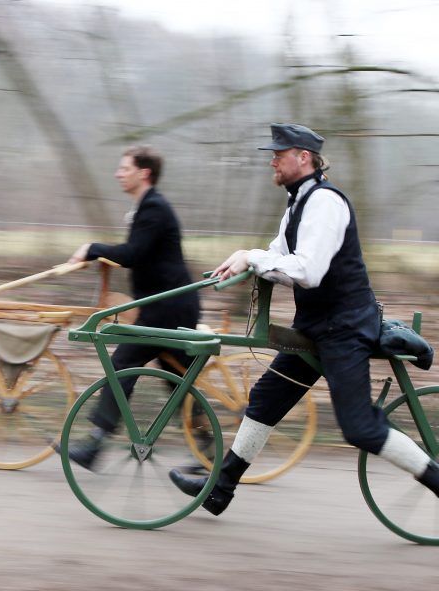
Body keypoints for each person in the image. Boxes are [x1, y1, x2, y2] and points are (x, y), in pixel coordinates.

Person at [168, 122, 439, 514]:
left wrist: (255, 257)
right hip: (317, 327)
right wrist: (245, 257)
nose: (273, 161)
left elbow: (307, 271)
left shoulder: (326, 203)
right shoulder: (297, 204)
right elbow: (278, 255)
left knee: (359, 427)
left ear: (304, 158)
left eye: (279, 154)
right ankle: (220, 489)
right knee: (265, 399)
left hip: (345, 329)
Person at [57, 145, 202, 470]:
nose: (117, 173)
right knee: (178, 379)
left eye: (124, 168)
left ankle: (95, 444)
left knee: (122, 364)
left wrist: (91, 249)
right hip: (168, 305)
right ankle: (206, 449)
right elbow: (140, 254)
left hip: (167, 309)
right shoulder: (148, 207)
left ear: (144, 173)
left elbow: (133, 253)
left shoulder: (153, 208)